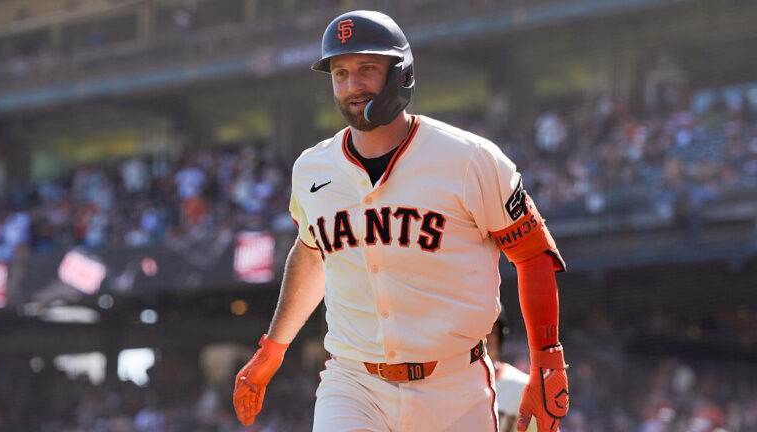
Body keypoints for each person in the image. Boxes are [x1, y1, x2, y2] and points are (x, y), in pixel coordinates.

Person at [233, 10, 569, 432]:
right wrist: (272, 349)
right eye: (340, 73)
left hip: (454, 386)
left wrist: (547, 363)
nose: (352, 85)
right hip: (353, 382)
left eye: (367, 69)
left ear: (401, 74)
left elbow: (533, 254)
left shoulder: (469, 159)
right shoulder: (312, 168)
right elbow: (313, 253)